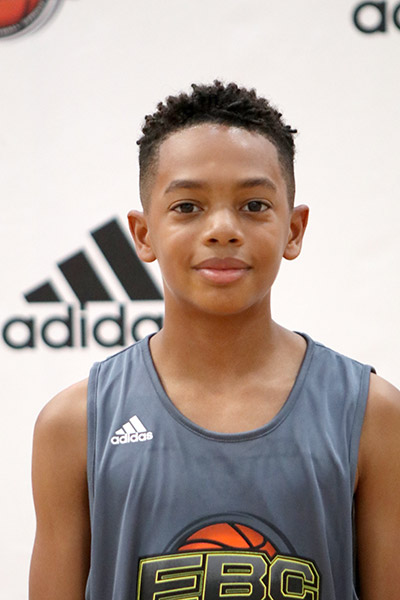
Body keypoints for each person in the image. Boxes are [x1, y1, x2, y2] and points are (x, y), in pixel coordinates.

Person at [29, 81, 400, 600]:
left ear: (294, 230)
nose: (223, 229)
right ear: (143, 234)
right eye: (187, 207)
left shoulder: (372, 414)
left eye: (254, 204)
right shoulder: (74, 424)